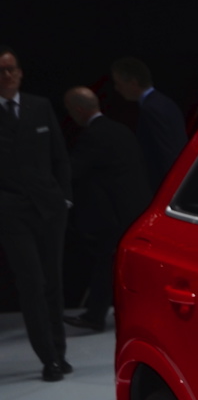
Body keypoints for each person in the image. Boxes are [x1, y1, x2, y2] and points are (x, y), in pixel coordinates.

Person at [0, 47, 74, 381]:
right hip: (11, 211)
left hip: (49, 207)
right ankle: (48, 358)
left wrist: (65, 197)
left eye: (11, 68)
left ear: (20, 71)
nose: (7, 75)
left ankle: (60, 352)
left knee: (53, 282)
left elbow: (59, 154)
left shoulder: (39, 106)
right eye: (1, 70)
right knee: (32, 283)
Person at [62, 86, 150, 332]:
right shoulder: (121, 129)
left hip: (114, 212)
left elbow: (73, 170)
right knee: (125, 264)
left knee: (106, 262)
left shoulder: (93, 135)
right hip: (138, 207)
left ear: (78, 109)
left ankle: (95, 316)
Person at [110, 56, 187, 191]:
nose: (117, 89)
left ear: (133, 83)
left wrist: (170, 189)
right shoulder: (164, 102)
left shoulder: (151, 109)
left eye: (119, 84)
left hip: (166, 185)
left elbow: (165, 151)